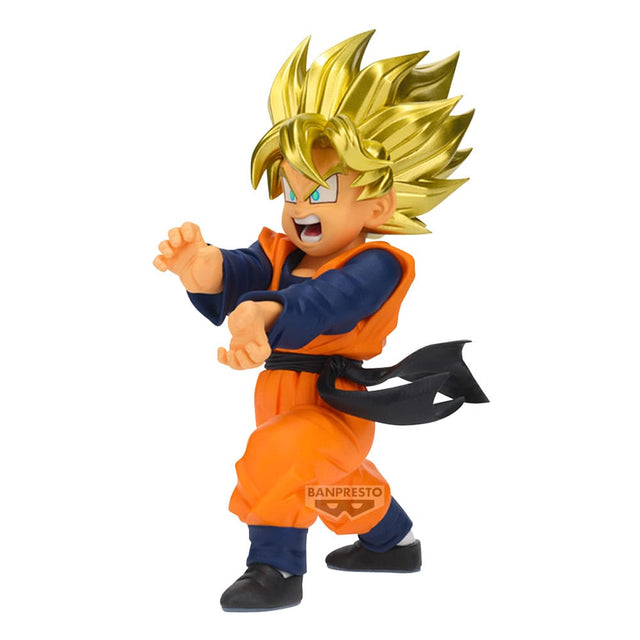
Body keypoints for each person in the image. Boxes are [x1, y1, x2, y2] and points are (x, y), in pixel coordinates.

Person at [153, 31, 487, 612]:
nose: (301, 208)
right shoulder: (280, 251)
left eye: (323, 190)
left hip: (336, 401)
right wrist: (201, 268)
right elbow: (239, 272)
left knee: (281, 456)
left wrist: (267, 312)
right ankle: (393, 543)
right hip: (280, 394)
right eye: (291, 190)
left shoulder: (378, 264)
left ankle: (276, 568)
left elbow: (329, 301)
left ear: (378, 206)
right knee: (328, 479)